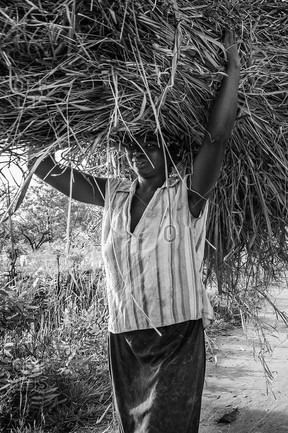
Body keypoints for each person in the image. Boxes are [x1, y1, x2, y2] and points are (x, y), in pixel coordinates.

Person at [30, 29, 240, 433]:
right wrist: (48, 98)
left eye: (150, 144)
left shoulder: (187, 194)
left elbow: (217, 138)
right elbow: (41, 166)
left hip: (176, 335)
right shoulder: (111, 193)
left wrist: (232, 69)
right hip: (124, 338)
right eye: (130, 144)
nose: (137, 153)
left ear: (171, 151)